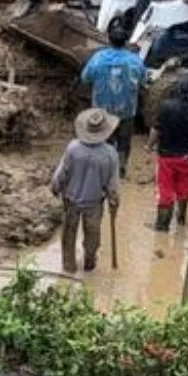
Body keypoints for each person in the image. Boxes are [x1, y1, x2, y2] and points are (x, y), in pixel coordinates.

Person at [50, 108, 122, 273]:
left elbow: (61, 173)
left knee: (69, 235)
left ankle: (69, 266)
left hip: (71, 200)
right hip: (94, 202)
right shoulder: (110, 154)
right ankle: (90, 262)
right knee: (92, 235)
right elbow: (113, 185)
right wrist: (114, 202)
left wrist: (55, 187)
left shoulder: (73, 148)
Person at [80, 19, 147, 177]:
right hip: (127, 109)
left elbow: (85, 78)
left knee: (104, 138)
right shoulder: (134, 60)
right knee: (124, 141)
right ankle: (121, 167)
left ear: (109, 40)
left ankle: (105, 168)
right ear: (125, 42)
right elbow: (144, 80)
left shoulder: (98, 58)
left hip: (102, 109)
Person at [151, 74, 188, 231]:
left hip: (166, 157)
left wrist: (149, 145)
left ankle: (162, 226)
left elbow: (156, 129)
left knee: (165, 190)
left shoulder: (165, 107)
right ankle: (181, 218)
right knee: (184, 187)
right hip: (186, 157)